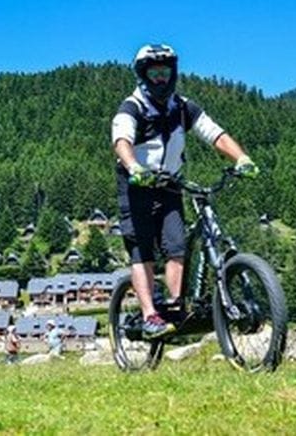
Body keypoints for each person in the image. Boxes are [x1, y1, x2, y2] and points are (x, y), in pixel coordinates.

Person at [111, 44, 259, 338]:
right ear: (143, 75)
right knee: (143, 251)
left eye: (165, 72)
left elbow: (214, 133)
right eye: (155, 73)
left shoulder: (183, 108)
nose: (161, 79)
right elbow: (121, 139)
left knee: (176, 246)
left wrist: (241, 158)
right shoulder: (133, 107)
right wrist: (133, 167)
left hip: (170, 185)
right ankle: (150, 316)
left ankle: (176, 306)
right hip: (136, 185)